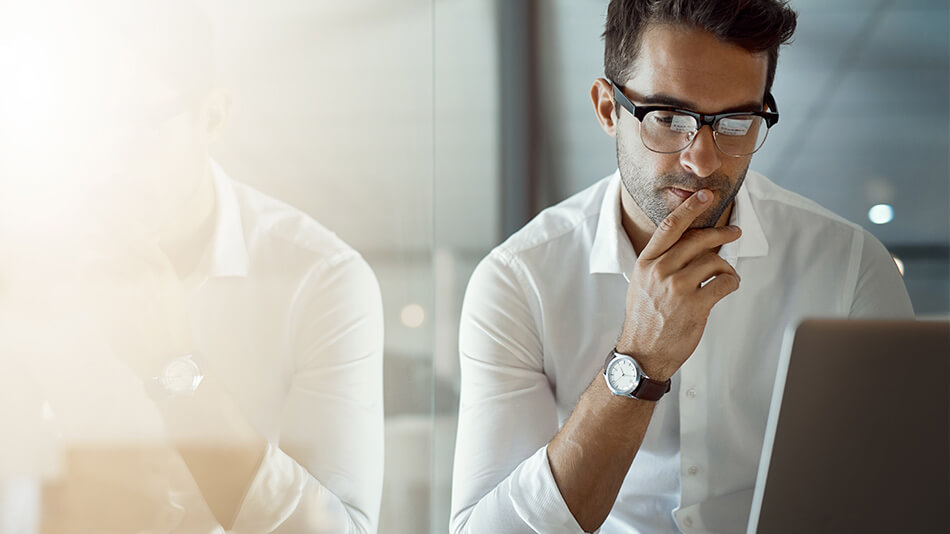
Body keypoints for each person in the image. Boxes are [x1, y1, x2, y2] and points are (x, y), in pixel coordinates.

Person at [450, 1, 913, 532]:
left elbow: (899, 500)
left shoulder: (850, 269)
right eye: (669, 119)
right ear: (607, 109)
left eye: (737, 122)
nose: (703, 161)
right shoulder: (518, 280)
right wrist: (639, 360)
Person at [0, 2, 383, 532]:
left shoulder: (321, 281)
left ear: (213, 116)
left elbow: (345, 530)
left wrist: (171, 364)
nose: (102, 162)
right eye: (82, 129)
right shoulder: (21, 273)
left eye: (136, 125)